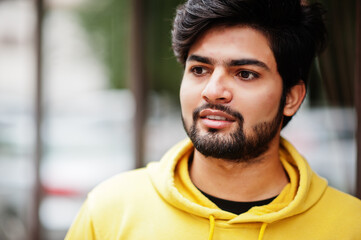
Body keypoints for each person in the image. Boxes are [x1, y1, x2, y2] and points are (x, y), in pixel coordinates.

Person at [66, 0, 361, 239]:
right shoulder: (110, 212)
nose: (213, 91)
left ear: (292, 98)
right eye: (199, 70)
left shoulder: (350, 226)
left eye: (245, 73)